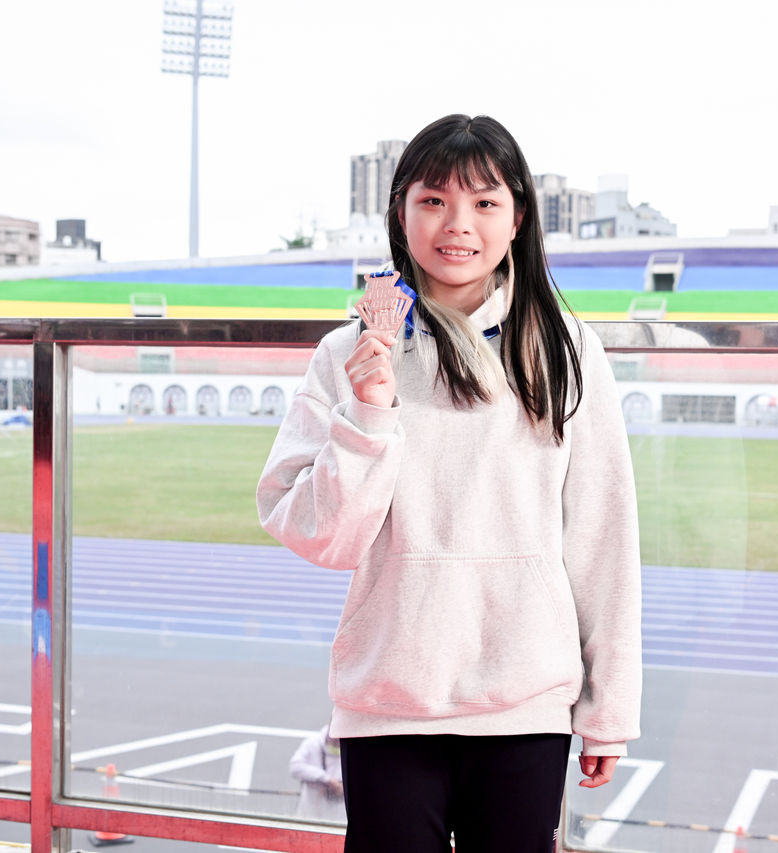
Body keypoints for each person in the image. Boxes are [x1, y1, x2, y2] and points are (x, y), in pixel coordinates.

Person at [257, 113, 641, 852]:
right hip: (389, 700)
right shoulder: (347, 353)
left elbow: (603, 537)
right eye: (433, 199)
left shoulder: (567, 349)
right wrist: (369, 415)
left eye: (485, 202)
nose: (458, 224)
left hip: (524, 701)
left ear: (518, 217)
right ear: (400, 211)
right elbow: (321, 538)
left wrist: (610, 708)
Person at [289, 723, 346, 822]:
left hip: (338, 817)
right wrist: (327, 780)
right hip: (310, 811)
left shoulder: (353, 749)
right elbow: (295, 767)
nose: (337, 741)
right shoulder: (312, 744)